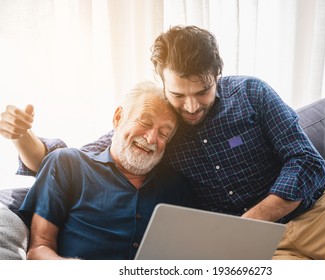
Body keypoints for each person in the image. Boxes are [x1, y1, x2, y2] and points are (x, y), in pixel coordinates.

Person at [1, 25, 325, 260]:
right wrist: (23, 135)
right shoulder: (160, 124)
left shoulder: (251, 93)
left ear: (217, 74)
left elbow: (306, 162)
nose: (190, 107)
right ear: (162, 81)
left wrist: (250, 223)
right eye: (178, 95)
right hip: (262, 250)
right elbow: (72, 159)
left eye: (202, 91)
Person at [17, 81, 193, 259]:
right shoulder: (67, 164)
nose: (151, 138)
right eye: (145, 122)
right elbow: (38, 249)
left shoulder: (176, 186)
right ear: (118, 118)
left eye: (163, 134)